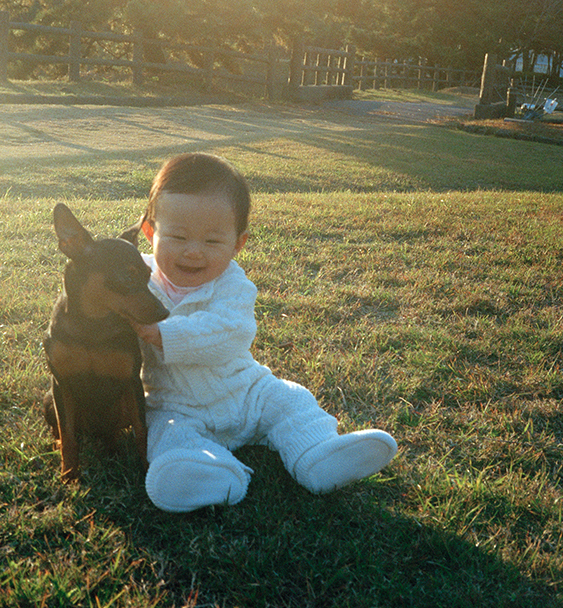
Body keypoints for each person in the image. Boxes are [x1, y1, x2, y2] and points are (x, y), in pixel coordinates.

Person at [125, 152, 397, 513]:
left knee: (290, 400)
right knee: (164, 432)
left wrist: (162, 333)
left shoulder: (233, 285)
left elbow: (229, 333)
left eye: (212, 241)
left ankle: (317, 455)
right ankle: (205, 472)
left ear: (238, 244)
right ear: (149, 232)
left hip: (245, 392)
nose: (193, 252)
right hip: (174, 403)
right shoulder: (135, 284)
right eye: (177, 236)